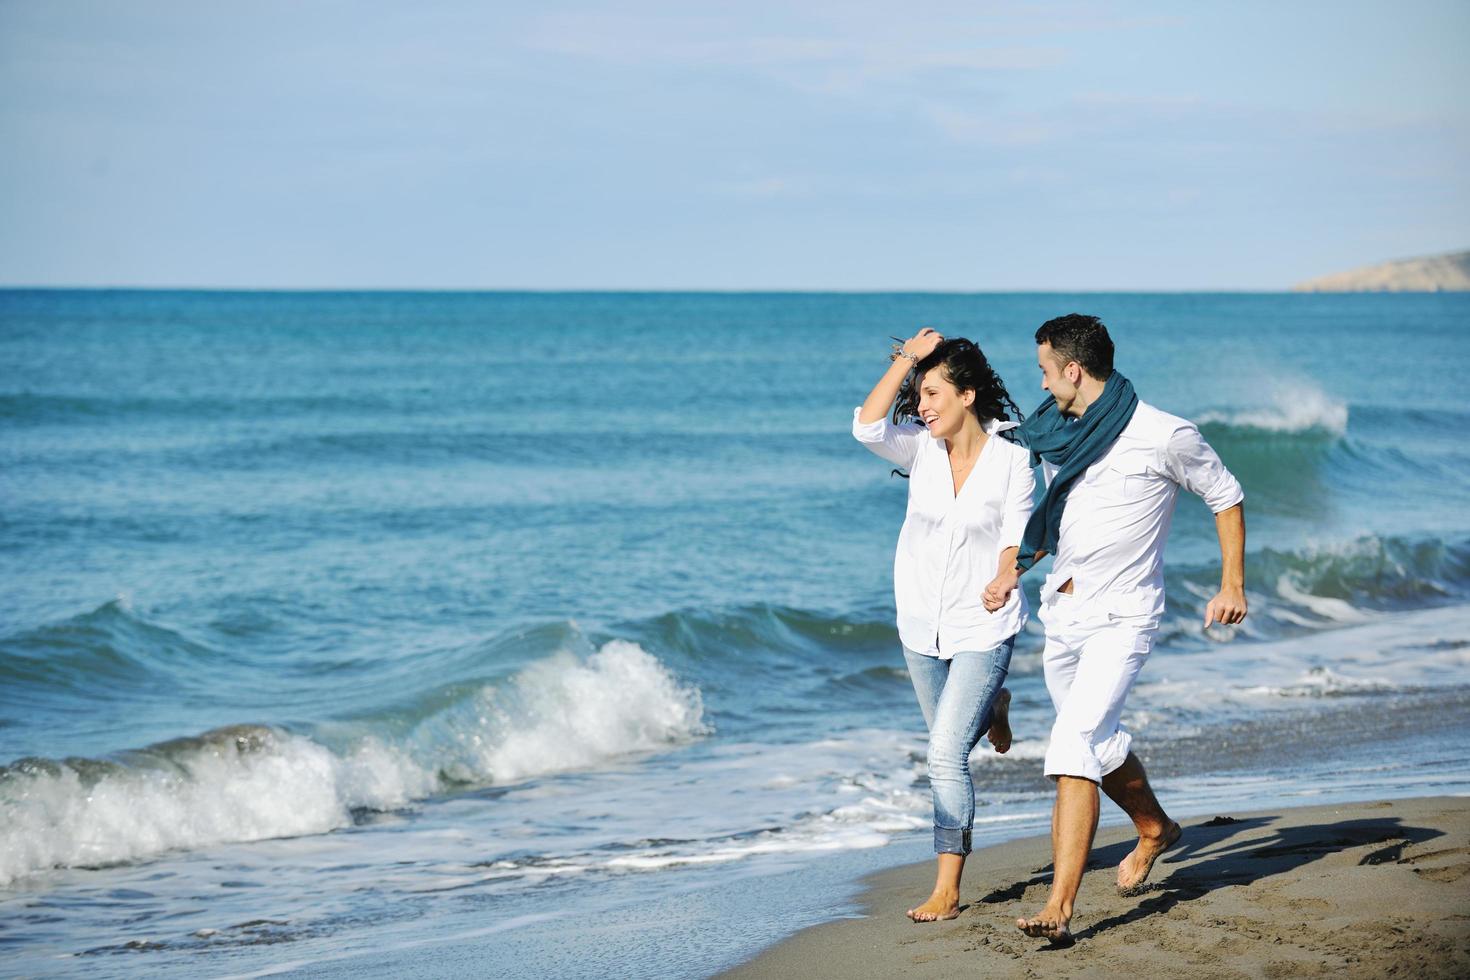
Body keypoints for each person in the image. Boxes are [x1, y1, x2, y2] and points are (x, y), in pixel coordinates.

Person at [981, 314, 1247, 946]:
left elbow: (1226, 494)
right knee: (1098, 747)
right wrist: (1012, 570)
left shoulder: (1163, 434)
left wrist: (1231, 583)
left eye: (1045, 369)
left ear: (1073, 370)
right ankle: (1155, 828)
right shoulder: (1061, 435)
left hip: (1124, 618)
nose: (1040, 381)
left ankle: (1061, 906)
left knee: (1072, 746)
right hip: (1064, 616)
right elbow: (1065, 523)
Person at [853, 327, 1036, 923]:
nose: (922, 405)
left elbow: (1019, 533)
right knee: (948, 743)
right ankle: (994, 707)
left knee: (943, 756)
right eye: (919, 394)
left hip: (984, 622)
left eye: (933, 393)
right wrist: (907, 357)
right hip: (919, 623)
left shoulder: (1014, 457)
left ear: (969, 395)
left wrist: (1006, 574)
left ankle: (947, 886)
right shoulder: (919, 448)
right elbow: (866, 426)